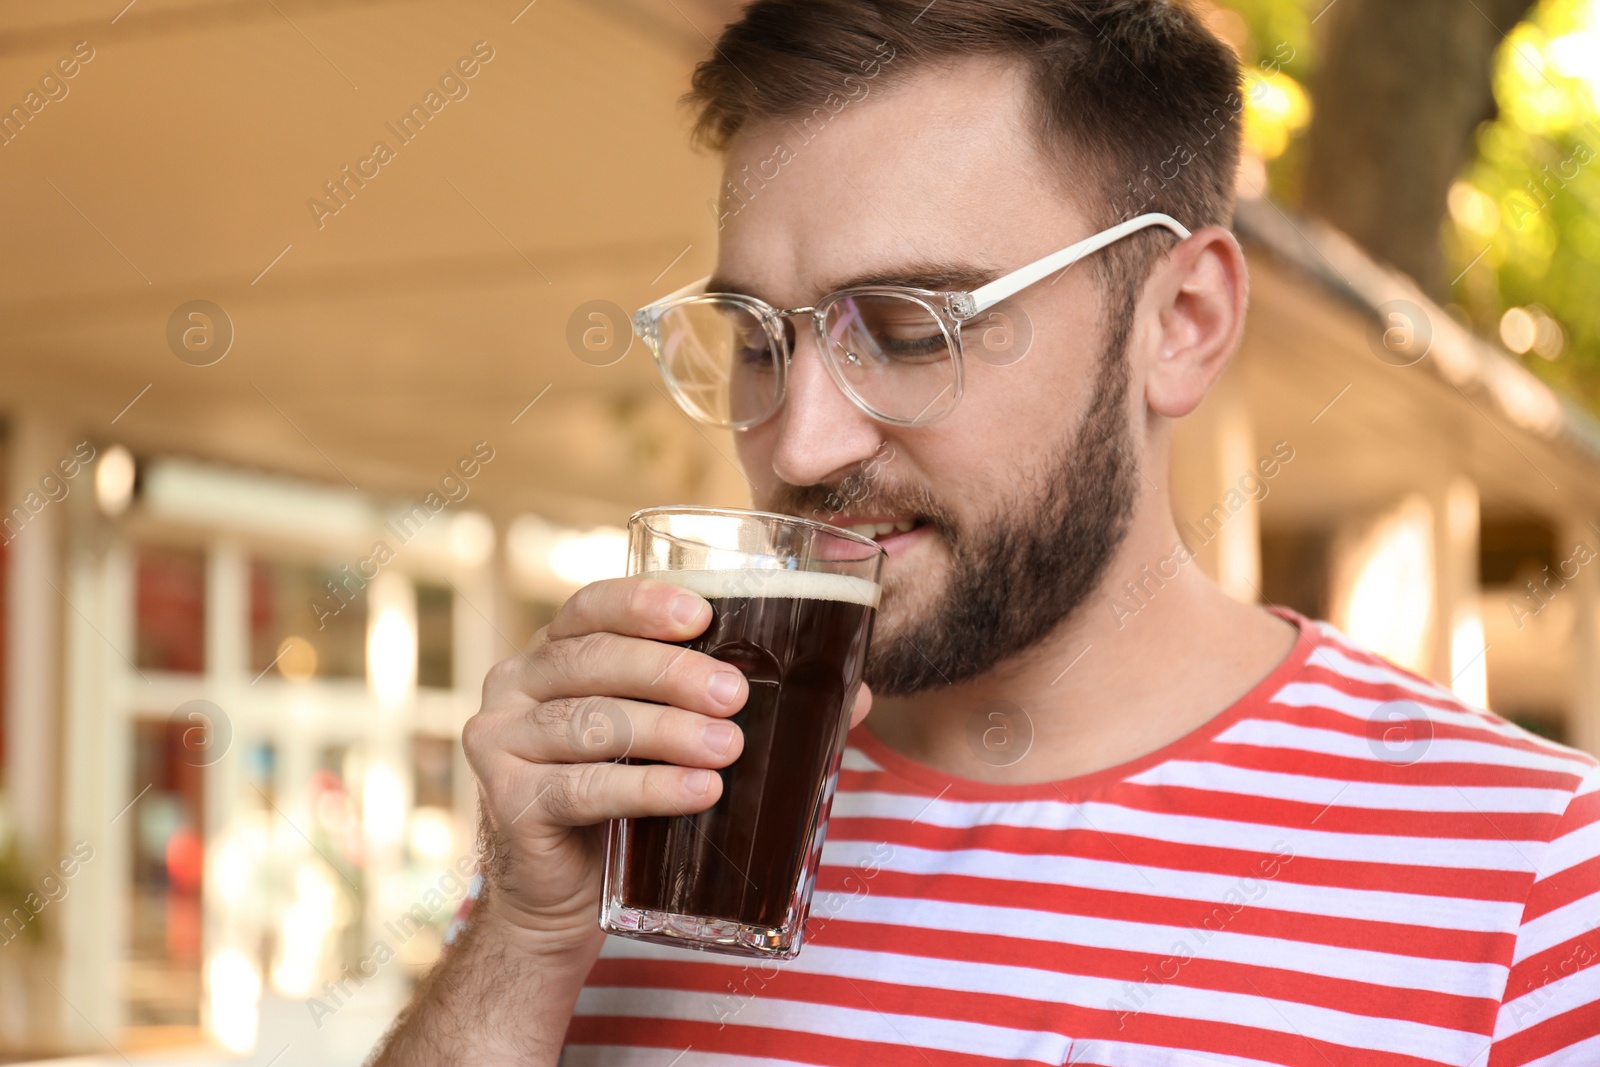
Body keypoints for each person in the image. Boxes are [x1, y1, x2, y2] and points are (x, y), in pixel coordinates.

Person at [371, 1, 1600, 1063]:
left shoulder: (1541, 889)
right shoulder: (643, 818)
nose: (799, 446)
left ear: (1179, 320)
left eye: (909, 330)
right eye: (757, 336)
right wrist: (517, 946)